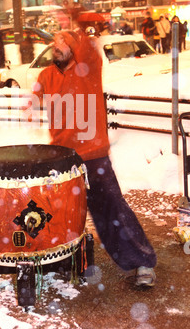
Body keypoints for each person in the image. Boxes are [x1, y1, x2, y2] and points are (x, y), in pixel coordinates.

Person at [32, 28, 157, 287]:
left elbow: (89, 46)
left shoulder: (87, 67)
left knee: (111, 209)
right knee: (59, 214)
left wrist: (74, 18)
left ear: (76, 47)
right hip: (62, 158)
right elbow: (34, 100)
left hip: (93, 156)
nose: (57, 45)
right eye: (55, 41)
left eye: (64, 42)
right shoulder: (45, 75)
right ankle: (61, 263)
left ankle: (142, 262)